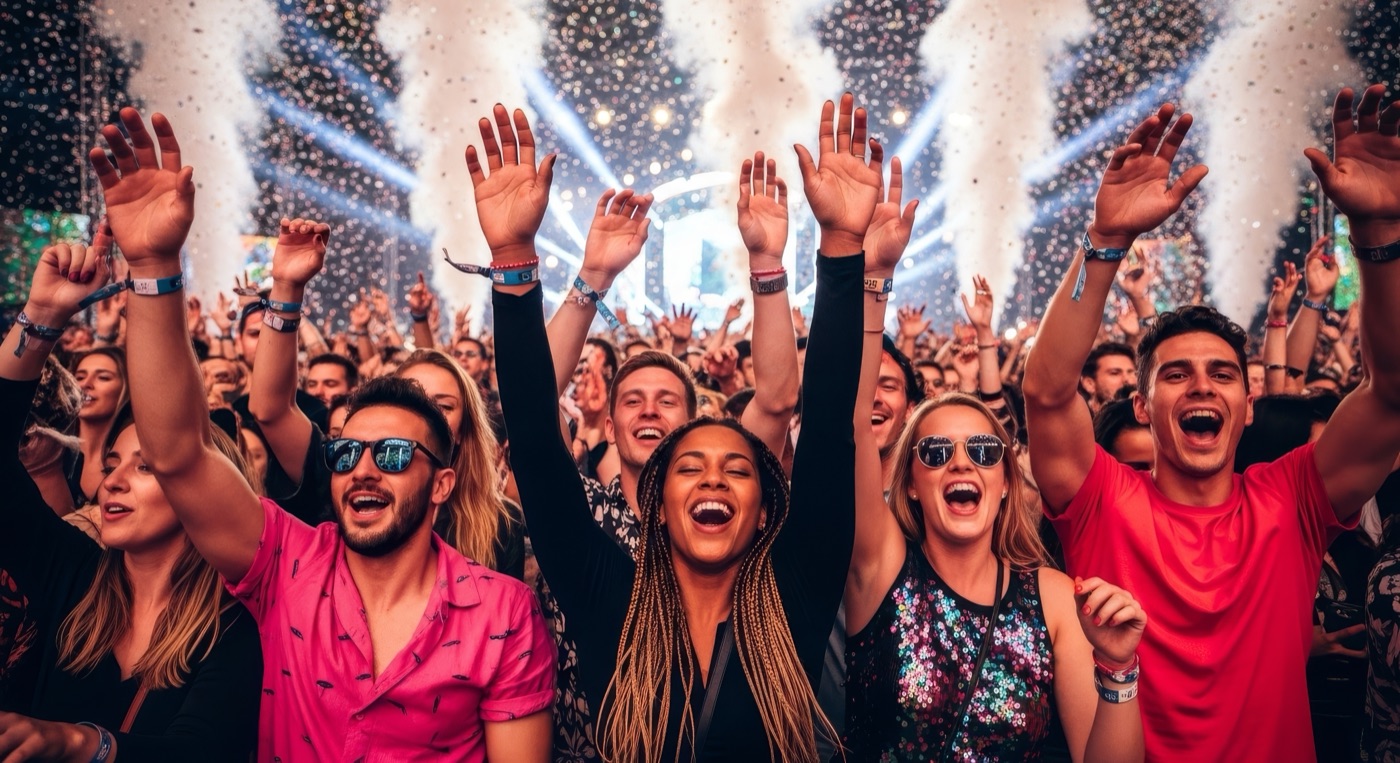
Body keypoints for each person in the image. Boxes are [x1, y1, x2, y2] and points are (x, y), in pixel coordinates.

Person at [89, 106, 554, 761]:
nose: (363, 469)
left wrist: (512, 257)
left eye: (392, 454)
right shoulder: (286, 561)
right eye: (345, 453)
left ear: (443, 480)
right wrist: (154, 265)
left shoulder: (503, 612)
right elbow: (173, 451)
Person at [481, 94, 869, 760]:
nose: (712, 477)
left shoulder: (794, 595)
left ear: (765, 507)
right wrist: (515, 257)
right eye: (688, 467)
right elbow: (538, 444)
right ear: (656, 505)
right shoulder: (609, 597)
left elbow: (829, 423)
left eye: (737, 468)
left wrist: (841, 247)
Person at [1022, 88, 1400, 760]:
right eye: (1175, 374)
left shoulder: (1291, 500)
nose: (1202, 384)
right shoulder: (1105, 502)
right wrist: (1105, 241)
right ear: (1141, 407)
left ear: (1248, 405)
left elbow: (1392, 394)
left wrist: (1376, 238)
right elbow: (1047, 391)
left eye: (1224, 374)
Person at [845, 249, 1145, 759]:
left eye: (983, 452)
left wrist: (1118, 670)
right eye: (937, 452)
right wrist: (873, 284)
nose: (961, 463)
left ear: (1006, 479)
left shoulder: (1051, 595)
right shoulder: (882, 570)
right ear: (911, 483)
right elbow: (849, 421)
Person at [0, 232, 261, 761]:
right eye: (112, 464)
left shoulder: (235, 622)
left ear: (200, 484)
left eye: (146, 467)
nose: (112, 482)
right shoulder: (73, 575)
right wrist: (43, 316)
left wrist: (78, 743)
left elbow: (202, 751)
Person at [247, 219, 525, 578]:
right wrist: (285, 288)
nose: (424, 415)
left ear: (464, 431)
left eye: (443, 406)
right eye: (411, 399)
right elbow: (270, 410)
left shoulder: (499, 524)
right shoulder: (349, 474)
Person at [71, 345, 128, 503]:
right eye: (80, 377)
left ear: (126, 388)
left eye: (103, 377)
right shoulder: (50, 453)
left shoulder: (137, 458)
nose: (86, 384)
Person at [1079, 342, 1136, 414]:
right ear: (1089, 384)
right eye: (1115, 373)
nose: (1127, 379)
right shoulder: (1076, 420)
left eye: (1131, 373)